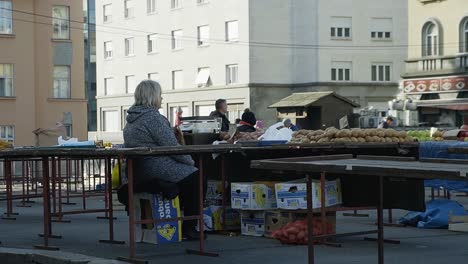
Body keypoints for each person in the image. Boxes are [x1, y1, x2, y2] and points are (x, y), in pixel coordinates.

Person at [123, 80, 201, 240]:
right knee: (197, 178)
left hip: (138, 171)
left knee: (189, 176)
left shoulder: (132, 119)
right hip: (156, 168)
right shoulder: (153, 118)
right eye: (160, 95)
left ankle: (180, 222)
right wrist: (191, 162)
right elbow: (172, 148)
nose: (162, 99)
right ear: (152, 97)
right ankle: (189, 226)